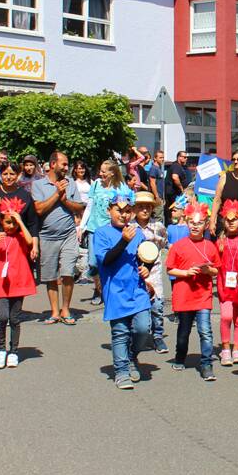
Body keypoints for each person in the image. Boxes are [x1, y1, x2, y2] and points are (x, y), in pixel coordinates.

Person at [93, 194, 153, 389]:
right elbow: (107, 259)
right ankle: (121, 371)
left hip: (137, 290)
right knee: (120, 332)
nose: (124, 215)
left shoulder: (137, 233)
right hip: (116, 291)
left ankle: (132, 356)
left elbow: (145, 256)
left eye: (128, 211)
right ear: (109, 210)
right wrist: (124, 241)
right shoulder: (101, 233)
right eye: (119, 210)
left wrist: (146, 268)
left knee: (143, 328)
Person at [0, 163, 39, 326]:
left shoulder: (25, 195)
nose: (9, 177)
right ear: (0, 174)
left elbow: (32, 222)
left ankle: (11, 312)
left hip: (17, 245)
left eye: (12, 174)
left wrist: (35, 245)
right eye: (5, 174)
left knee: (13, 278)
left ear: (18, 175)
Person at [166, 201, 221, 381]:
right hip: (184, 295)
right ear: (187, 222)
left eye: (199, 223)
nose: (195, 226)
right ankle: (180, 357)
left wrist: (208, 270)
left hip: (203, 296)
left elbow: (217, 270)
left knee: (205, 330)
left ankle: (206, 364)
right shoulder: (179, 245)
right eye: (192, 222)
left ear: (205, 225)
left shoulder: (210, 246)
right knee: (184, 330)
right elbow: (170, 269)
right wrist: (186, 273)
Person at [32, 151, 85, 325]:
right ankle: (54, 311)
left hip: (68, 234)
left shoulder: (70, 184)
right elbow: (39, 209)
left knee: (68, 272)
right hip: (47, 236)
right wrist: (56, 194)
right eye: (63, 164)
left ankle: (66, 309)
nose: (66, 167)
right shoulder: (38, 185)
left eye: (67, 164)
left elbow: (79, 207)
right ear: (53, 164)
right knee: (50, 276)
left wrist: (65, 200)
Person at [0, 199, 35, 369]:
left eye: (13, 223)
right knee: (2, 317)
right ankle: (0, 349)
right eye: (7, 222)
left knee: (14, 318)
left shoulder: (20, 237)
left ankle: (14, 350)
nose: (11, 226)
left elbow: (29, 241)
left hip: (18, 283)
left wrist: (20, 220)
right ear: (1, 222)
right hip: (1, 284)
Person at [79, 160, 132, 304]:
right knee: (93, 263)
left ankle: (107, 290)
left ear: (112, 173)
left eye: (104, 171)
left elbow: (128, 208)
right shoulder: (96, 184)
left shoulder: (121, 188)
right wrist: (81, 227)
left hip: (111, 229)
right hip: (94, 228)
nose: (100, 174)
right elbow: (89, 206)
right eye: (100, 171)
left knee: (109, 261)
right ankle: (99, 288)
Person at [129, 191, 168, 354]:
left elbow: (163, 242)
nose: (144, 210)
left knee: (157, 304)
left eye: (148, 207)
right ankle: (135, 333)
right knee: (137, 302)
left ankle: (158, 335)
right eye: (141, 207)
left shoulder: (158, 227)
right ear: (135, 209)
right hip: (136, 270)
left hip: (154, 270)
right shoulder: (130, 228)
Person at [216, 199, 238, 366]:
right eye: (228, 220)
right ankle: (225, 348)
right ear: (224, 221)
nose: (231, 223)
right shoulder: (220, 242)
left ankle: (236, 348)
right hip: (225, 285)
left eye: (235, 219)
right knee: (226, 316)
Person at [210, 149, 238, 234]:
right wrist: (212, 221)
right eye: (233, 159)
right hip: (224, 222)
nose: (235, 161)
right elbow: (217, 200)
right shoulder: (224, 177)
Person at [148, 150, 166, 221]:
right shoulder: (154, 169)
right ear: (155, 158)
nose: (162, 159)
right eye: (160, 158)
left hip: (160, 197)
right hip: (156, 197)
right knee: (158, 217)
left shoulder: (159, 169)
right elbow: (152, 183)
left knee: (159, 216)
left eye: (163, 158)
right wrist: (157, 196)